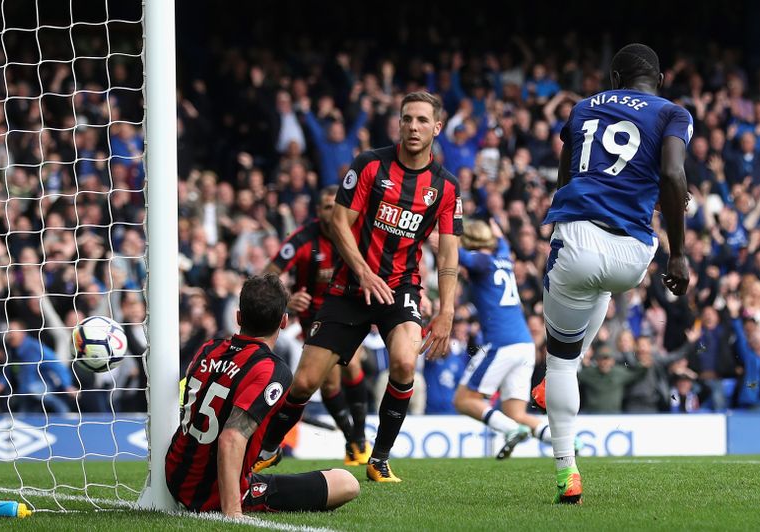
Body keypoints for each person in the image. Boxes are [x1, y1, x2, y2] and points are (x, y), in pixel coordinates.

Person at [254, 91, 463, 482]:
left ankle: (378, 458)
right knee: (304, 383)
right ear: (397, 124)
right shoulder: (369, 165)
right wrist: (364, 272)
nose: (413, 127)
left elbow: (450, 254)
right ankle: (267, 450)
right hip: (351, 286)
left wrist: (447, 309)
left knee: (404, 361)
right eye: (406, 119)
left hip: (400, 289)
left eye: (421, 120)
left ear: (436, 127)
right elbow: (339, 223)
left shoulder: (446, 188)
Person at [532, 44, 692, 504]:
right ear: (658, 80)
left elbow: (566, 174)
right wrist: (677, 255)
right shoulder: (673, 112)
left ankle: (567, 472)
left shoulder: (584, 106)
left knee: (561, 359)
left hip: (579, 239)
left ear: (615, 77)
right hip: (632, 256)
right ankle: (557, 379)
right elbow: (673, 176)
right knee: (596, 289)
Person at [165, 274, 358, 517]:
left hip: (175, 476)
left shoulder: (208, 348)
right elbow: (231, 438)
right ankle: (238, 498)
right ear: (284, 321)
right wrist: (233, 513)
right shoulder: (272, 369)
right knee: (346, 483)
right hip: (211, 491)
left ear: (238, 317)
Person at [264, 185, 372, 466]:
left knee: (353, 367)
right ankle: (353, 439)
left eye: (336, 205)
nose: (332, 211)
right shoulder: (302, 240)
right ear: (318, 212)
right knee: (330, 381)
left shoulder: (357, 232)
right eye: (326, 206)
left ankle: (358, 437)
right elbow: (268, 275)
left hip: (350, 310)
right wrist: (288, 300)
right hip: (316, 319)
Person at [454, 219, 565, 458]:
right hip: (525, 345)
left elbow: (455, 253)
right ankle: (565, 442)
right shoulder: (503, 254)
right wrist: (493, 223)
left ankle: (511, 430)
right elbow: (501, 239)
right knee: (515, 411)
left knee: (464, 400)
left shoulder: (482, 261)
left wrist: (442, 232)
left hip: (502, 343)